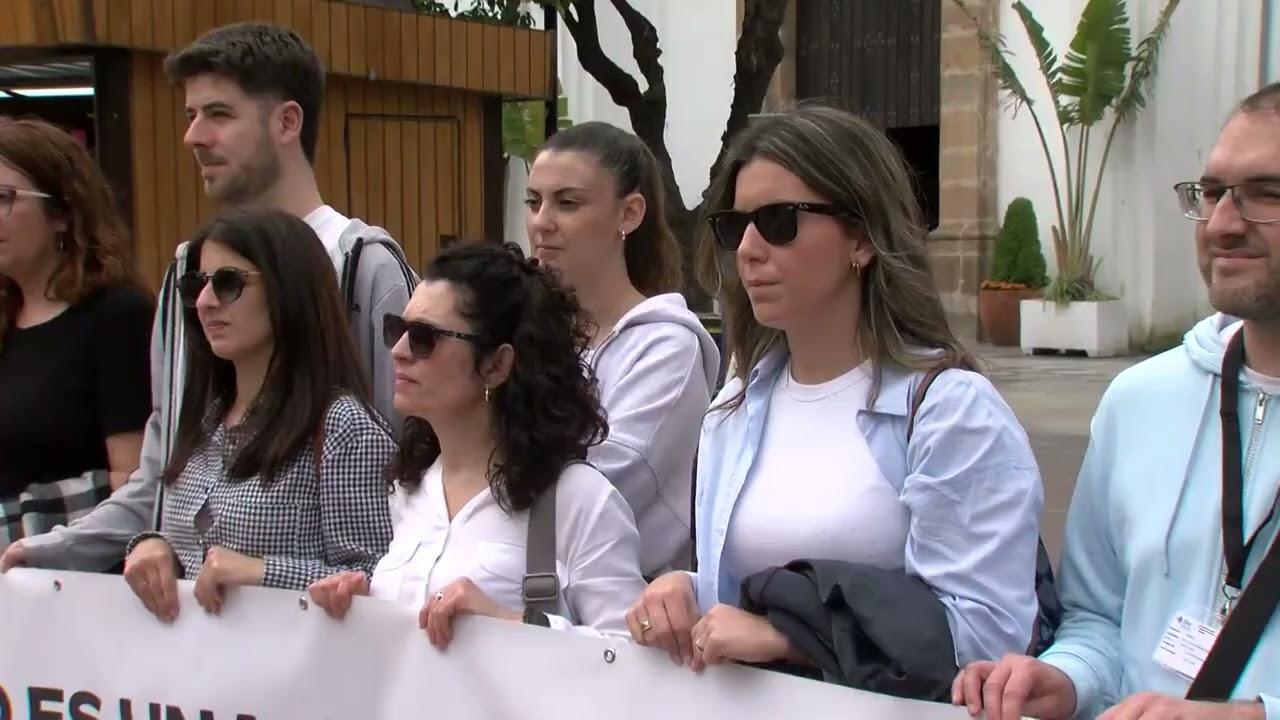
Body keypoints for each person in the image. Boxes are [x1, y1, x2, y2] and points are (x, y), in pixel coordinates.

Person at [626, 105, 1044, 679]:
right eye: (735, 226)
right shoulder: (735, 407)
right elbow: (739, 596)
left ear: (863, 238)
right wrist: (685, 590)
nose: (748, 248)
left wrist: (798, 639)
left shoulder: (948, 412)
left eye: (779, 221)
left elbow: (986, 635)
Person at [2, 22, 415, 573]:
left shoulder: (364, 266)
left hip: (326, 615)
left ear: (287, 121)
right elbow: (161, 477)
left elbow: (407, 479)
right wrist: (59, 548)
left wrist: (274, 574)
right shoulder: (186, 271)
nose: (193, 136)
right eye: (190, 115)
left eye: (218, 114)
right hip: (189, 617)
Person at [951, 86, 1280, 720]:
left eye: (1267, 193)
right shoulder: (1139, 401)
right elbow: (1098, 620)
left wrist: (1252, 715)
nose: (1222, 224)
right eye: (1213, 193)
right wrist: (1065, 679)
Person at [307, 241, 645, 646]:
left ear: (497, 364)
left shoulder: (578, 499)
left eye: (424, 337)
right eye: (396, 329)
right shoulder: (409, 489)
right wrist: (363, 606)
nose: (398, 351)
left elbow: (630, 657)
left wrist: (510, 624)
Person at [123, 209, 393, 622]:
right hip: (197, 658)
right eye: (195, 285)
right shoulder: (206, 419)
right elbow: (197, 551)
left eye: (228, 282)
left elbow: (380, 580)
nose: (204, 302)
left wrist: (263, 572)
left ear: (287, 291)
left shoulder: (342, 427)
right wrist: (154, 547)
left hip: (294, 659)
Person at [524, 121, 720, 576]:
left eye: (567, 203)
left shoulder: (666, 346)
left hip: (623, 604)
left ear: (629, 214)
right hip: (500, 587)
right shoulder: (521, 331)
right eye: (533, 202)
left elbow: (602, 488)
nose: (541, 222)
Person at [0, 118, 153, 547]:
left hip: (72, 573)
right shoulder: (6, 318)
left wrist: (15, 528)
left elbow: (134, 484)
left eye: (3, 197)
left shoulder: (116, 316)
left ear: (63, 213)